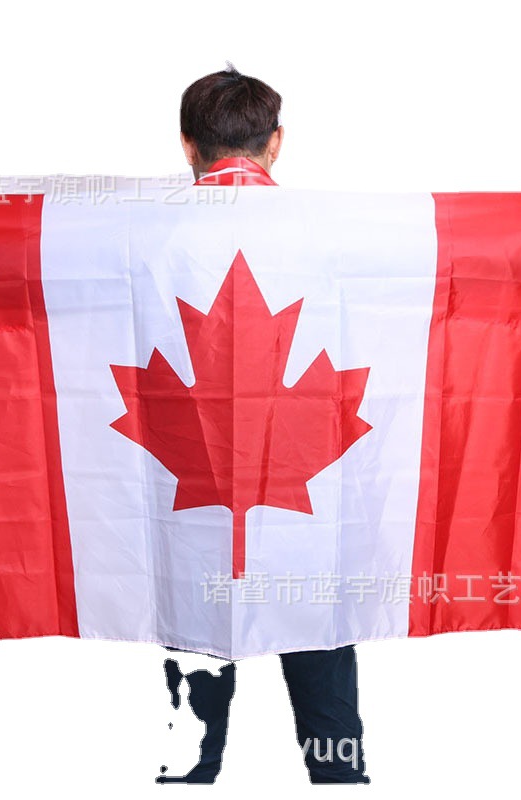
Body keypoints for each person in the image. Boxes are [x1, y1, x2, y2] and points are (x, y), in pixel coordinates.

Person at [155, 63, 370, 786]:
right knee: (328, 704)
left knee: (192, 731)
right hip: (306, 519)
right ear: (276, 142)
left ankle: (190, 776)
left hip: (188, 518)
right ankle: (339, 779)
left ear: (188, 145)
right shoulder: (339, 236)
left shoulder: (141, 239)